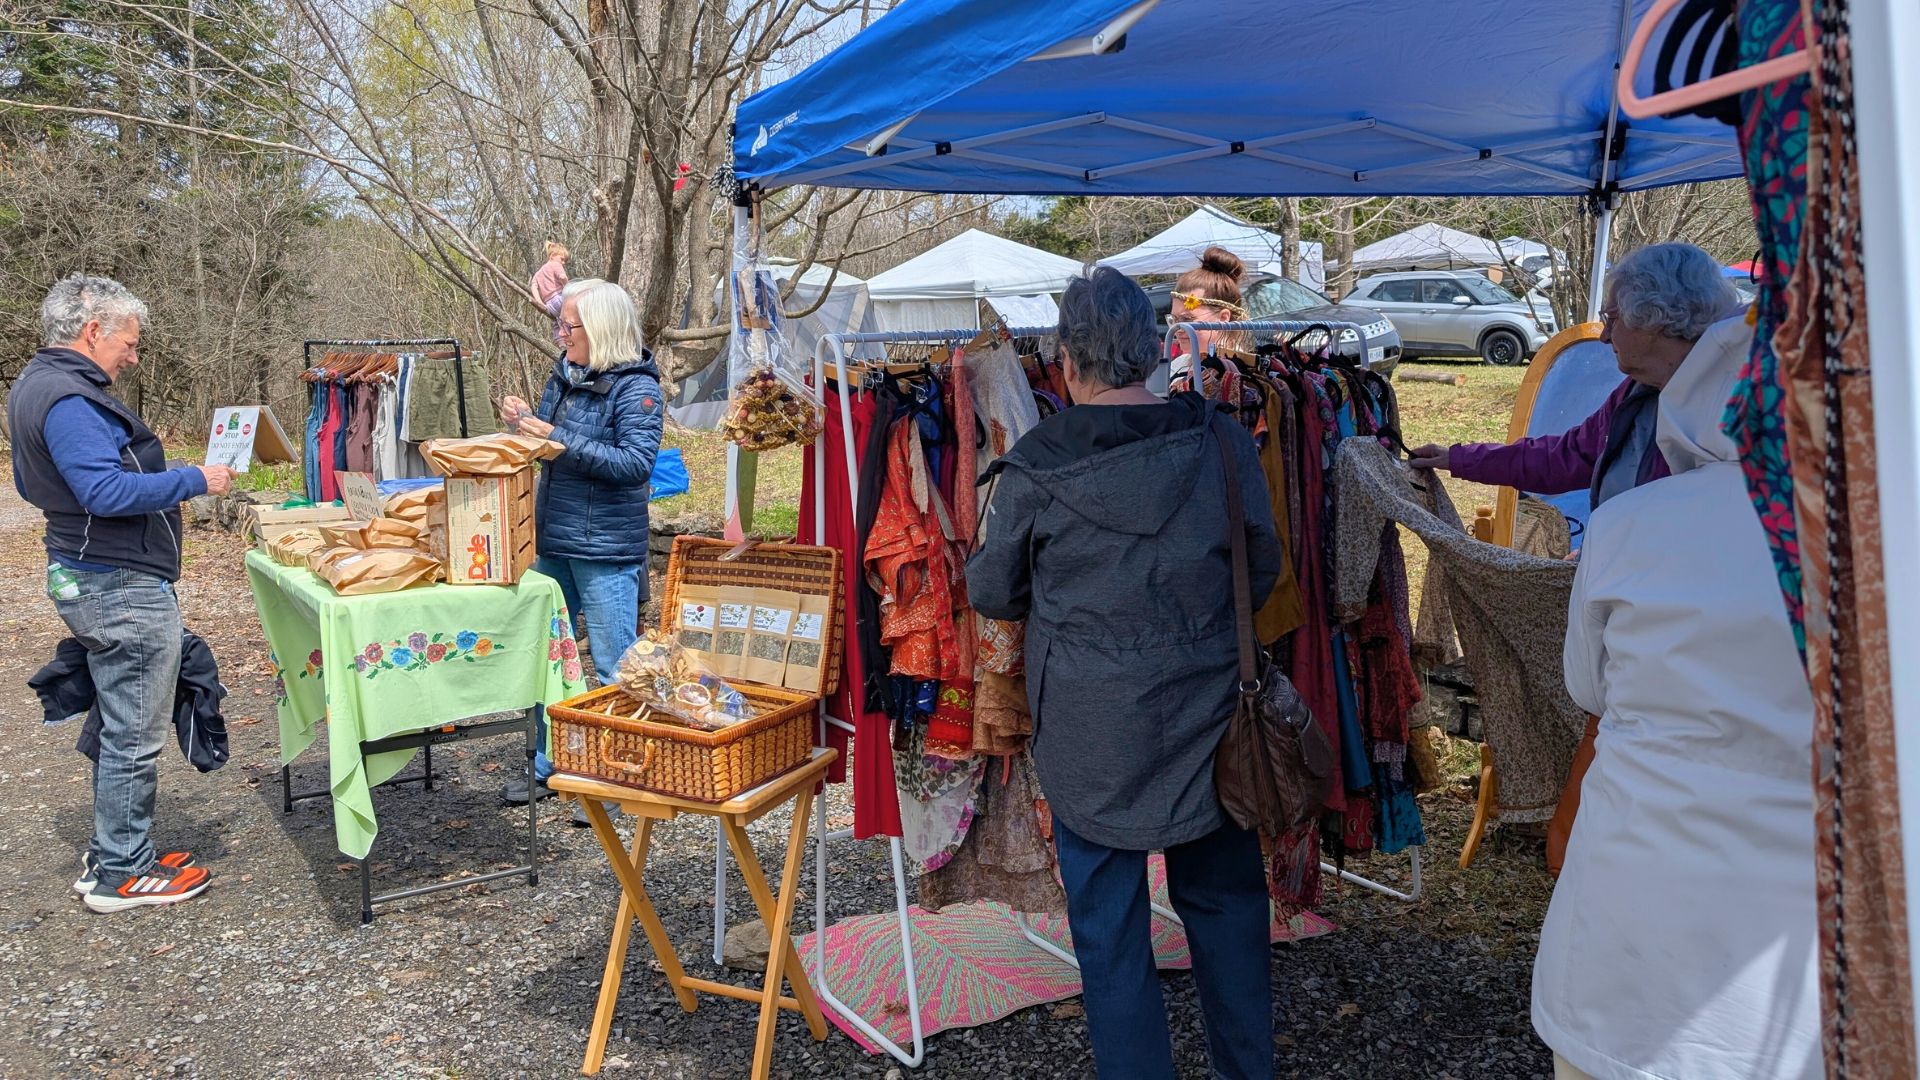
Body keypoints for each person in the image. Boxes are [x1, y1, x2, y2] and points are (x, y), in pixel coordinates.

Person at [967, 267, 1280, 1079]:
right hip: (1213, 715)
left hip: (1088, 729)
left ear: (1066, 360)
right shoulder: (1216, 439)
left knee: (1109, 934)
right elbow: (1264, 565)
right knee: (1228, 913)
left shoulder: (1034, 465)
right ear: (1150, 352)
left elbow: (994, 589)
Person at [1534, 309, 1819, 1079]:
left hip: (1625, 916)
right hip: (1794, 958)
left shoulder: (1628, 525)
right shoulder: (1878, 543)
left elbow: (1588, 689)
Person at [6, 274, 235, 912]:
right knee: (135, 728)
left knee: (119, 716)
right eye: (128, 343)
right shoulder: (70, 400)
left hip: (92, 571)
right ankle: (121, 872)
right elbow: (104, 492)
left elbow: (39, 485)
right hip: (117, 581)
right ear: (92, 331)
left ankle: (114, 849)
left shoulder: (36, 385)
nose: (133, 355)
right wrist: (193, 479)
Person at [1410, 242, 1741, 510]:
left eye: (1612, 319)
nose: (1604, 336)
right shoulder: (1638, 392)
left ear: (1657, 321)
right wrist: (1457, 458)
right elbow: (1565, 457)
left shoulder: (1738, 404)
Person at [499, 279, 664, 806]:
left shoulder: (639, 389)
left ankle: (620, 777)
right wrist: (523, 424)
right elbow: (546, 441)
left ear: (600, 329)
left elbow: (634, 465)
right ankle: (553, 765)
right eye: (561, 325)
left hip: (607, 549)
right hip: (555, 540)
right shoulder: (565, 375)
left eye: (567, 326)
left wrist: (558, 441)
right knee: (550, 658)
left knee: (615, 665)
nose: (559, 335)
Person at [1167, 245, 1253, 359]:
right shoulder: (1177, 365)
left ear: (1223, 318)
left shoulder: (1241, 371)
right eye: (1173, 319)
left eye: (1187, 319)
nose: (1178, 329)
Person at [531, 241, 571, 342]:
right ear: (553, 256)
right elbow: (562, 277)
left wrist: (539, 302)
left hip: (550, 306)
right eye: (562, 259)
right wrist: (569, 288)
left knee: (559, 321)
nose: (563, 263)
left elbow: (533, 286)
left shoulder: (538, 273)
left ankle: (560, 340)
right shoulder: (555, 265)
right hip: (560, 299)